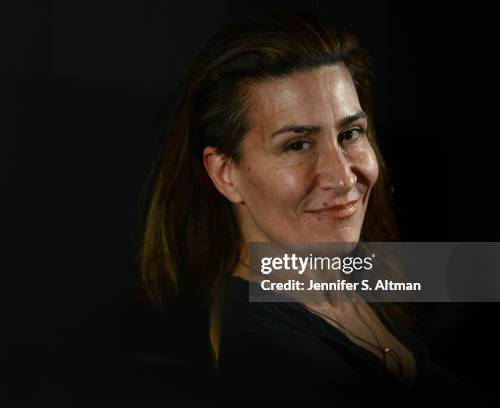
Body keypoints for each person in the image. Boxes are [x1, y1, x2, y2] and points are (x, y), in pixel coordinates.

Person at [135, 14, 486, 406]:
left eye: (350, 134)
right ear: (226, 174)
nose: (342, 177)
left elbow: (471, 273)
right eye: (298, 145)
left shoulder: (335, 270)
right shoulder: (273, 357)